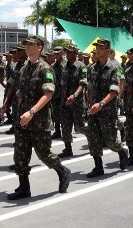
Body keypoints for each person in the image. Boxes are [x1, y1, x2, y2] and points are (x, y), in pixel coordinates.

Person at [7, 36, 70, 199]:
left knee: (43, 153)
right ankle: (23, 187)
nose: (26, 47)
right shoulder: (24, 68)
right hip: (23, 118)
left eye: (30, 45)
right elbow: (20, 92)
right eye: (26, 45)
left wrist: (32, 112)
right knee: (20, 154)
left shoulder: (45, 69)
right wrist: (17, 111)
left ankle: (62, 171)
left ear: (40, 47)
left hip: (39, 120)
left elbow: (47, 95)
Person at [85, 38, 129, 178]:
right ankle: (98, 166)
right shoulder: (92, 68)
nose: (97, 50)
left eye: (100, 48)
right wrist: (90, 101)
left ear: (107, 50)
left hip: (107, 110)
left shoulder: (115, 68)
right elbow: (90, 87)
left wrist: (101, 104)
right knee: (93, 139)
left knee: (110, 141)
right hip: (93, 109)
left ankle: (122, 151)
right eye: (96, 47)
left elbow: (114, 91)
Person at [58, 45, 88, 158]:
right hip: (65, 102)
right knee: (65, 126)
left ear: (75, 53)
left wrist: (74, 95)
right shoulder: (64, 66)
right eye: (67, 52)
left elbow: (83, 83)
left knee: (80, 127)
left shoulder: (81, 66)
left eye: (70, 52)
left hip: (77, 102)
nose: (68, 54)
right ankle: (68, 148)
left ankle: (92, 138)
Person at [50, 47, 64, 139]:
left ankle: (66, 131)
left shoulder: (66, 65)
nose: (56, 55)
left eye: (57, 53)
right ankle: (57, 131)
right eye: (54, 54)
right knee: (55, 113)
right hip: (56, 93)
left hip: (65, 94)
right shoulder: (52, 66)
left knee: (64, 113)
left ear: (62, 53)